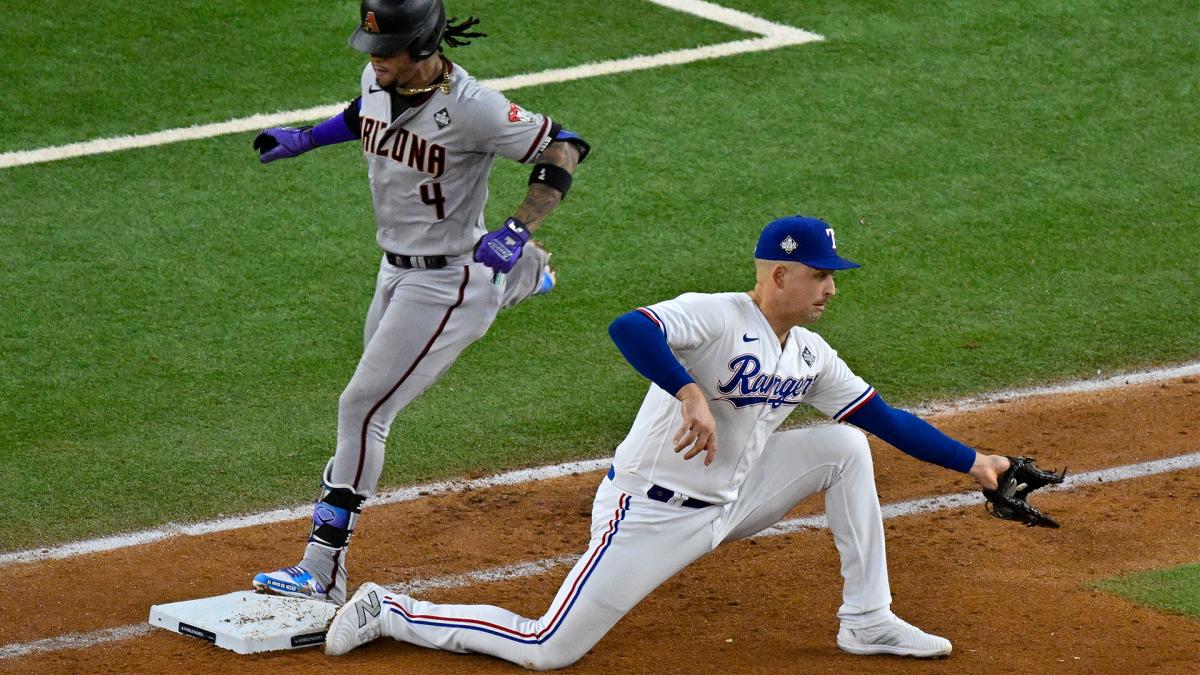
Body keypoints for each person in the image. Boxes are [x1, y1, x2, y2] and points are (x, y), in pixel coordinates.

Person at [323, 215, 1013, 668]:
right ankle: (396, 608)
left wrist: (975, 461)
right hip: (649, 512)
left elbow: (883, 418)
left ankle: (867, 617)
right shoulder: (716, 315)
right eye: (820, 275)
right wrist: (689, 391)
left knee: (846, 447)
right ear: (779, 274)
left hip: (730, 501)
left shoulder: (809, 353)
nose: (830, 288)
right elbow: (630, 327)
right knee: (548, 648)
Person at [250, 0, 590, 606]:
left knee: (362, 408)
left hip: (447, 281)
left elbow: (564, 145)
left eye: (386, 50)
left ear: (425, 46)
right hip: (393, 272)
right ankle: (522, 279)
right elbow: (364, 114)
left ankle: (323, 568)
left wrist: (515, 228)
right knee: (365, 401)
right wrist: (306, 138)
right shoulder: (378, 78)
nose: (374, 59)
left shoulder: (474, 108)